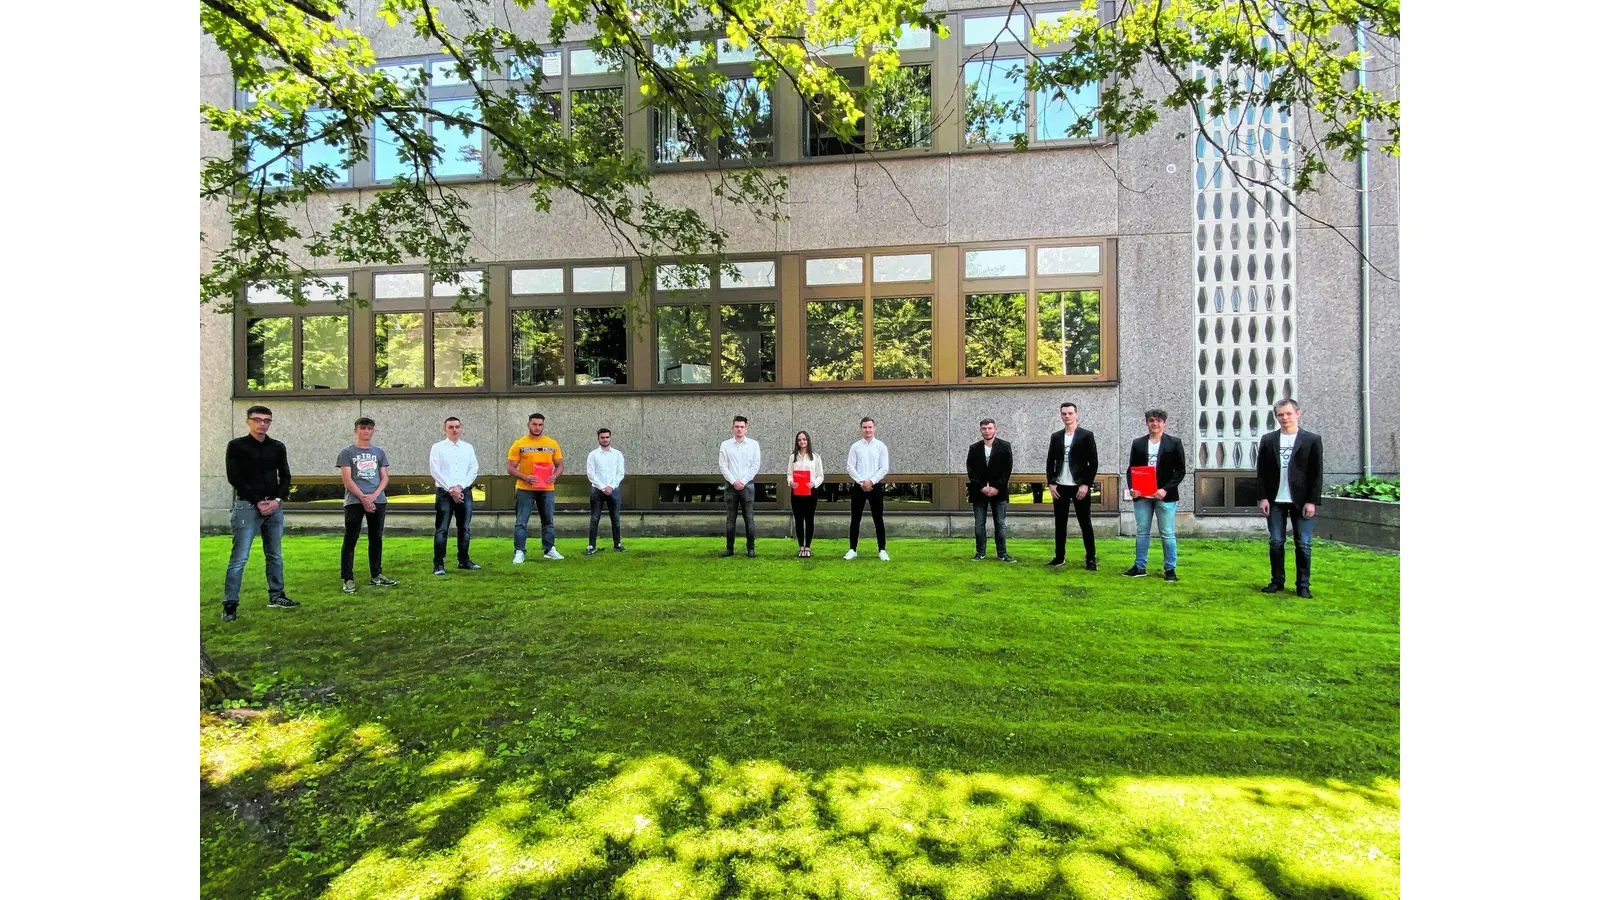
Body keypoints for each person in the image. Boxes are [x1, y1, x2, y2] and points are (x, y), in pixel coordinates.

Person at [221, 405, 299, 620]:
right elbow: (234, 477)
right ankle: (230, 604)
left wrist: (277, 500)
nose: (262, 424)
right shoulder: (236, 446)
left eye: (267, 420)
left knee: (274, 554)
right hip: (247, 507)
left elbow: (285, 476)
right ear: (248, 421)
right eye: (258, 419)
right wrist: (257, 501)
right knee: (240, 557)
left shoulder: (277, 447)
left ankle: (277, 595)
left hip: (274, 508)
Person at [1256, 399, 1324, 598]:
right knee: (1276, 541)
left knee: (1303, 543)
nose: (1284, 418)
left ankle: (1303, 585)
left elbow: (1316, 473)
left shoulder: (1311, 439)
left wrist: (1312, 501)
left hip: (1301, 500)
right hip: (1275, 500)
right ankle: (1277, 581)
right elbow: (1262, 472)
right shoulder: (1269, 440)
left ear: (1297, 413)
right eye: (1280, 414)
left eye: (1288, 413)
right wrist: (1263, 498)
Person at [336, 417, 398, 594]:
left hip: (377, 500)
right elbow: (347, 479)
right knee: (351, 539)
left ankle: (376, 575)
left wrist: (373, 496)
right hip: (354, 501)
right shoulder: (347, 453)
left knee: (376, 539)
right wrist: (363, 498)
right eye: (362, 428)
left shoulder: (379, 452)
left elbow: (384, 477)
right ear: (356, 430)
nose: (366, 431)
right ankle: (348, 578)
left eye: (369, 428)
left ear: (373, 431)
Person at [1123, 409, 1186, 581]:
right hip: (1142, 496)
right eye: (1151, 420)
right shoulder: (1138, 443)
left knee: (1167, 533)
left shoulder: (1174, 443)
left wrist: (1165, 489)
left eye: (1158, 421)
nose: (1155, 424)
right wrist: (1132, 488)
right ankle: (1139, 566)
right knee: (1142, 532)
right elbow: (1131, 470)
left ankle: (1170, 570)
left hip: (1165, 496)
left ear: (1164, 423)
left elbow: (1180, 471)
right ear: (1147, 423)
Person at [1044, 402, 1100, 570]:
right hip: (1060, 486)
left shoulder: (1086, 435)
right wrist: (1051, 483)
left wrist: (1085, 484)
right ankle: (1059, 557)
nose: (1067, 416)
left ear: (1076, 415)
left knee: (1085, 523)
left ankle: (1091, 559)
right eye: (1064, 414)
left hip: (1079, 487)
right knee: (1060, 524)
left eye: (1070, 413)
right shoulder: (1056, 436)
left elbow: (1094, 463)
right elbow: (1050, 461)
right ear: (1061, 416)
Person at [507, 412, 565, 563]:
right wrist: (526, 477)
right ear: (528, 424)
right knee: (521, 522)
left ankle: (549, 549)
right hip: (525, 489)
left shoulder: (552, 444)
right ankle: (519, 551)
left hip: (547, 489)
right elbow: (511, 468)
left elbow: (559, 465)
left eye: (540, 425)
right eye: (534, 424)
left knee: (548, 521)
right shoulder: (519, 444)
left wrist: (555, 476)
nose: (537, 427)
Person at [429, 416, 481, 575]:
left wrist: (460, 487)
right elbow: (435, 471)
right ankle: (438, 564)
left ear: (462, 428)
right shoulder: (437, 448)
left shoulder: (468, 447)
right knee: (442, 529)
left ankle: (464, 560)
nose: (454, 430)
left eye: (457, 427)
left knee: (464, 528)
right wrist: (451, 489)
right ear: (444, 429)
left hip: (464, 492)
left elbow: (473, 469)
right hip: (445, 493)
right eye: (450, 427)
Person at [965, 418, 1016, 562]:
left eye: (990, 428)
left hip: (999, 492)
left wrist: (996, 488)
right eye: (984, 428)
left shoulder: (1005, 446)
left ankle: (1002, 553)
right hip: (979, 493)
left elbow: (1007, 470)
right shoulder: (974, 448)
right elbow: (971, 471)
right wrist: (982, 487)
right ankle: (980, 553)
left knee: (1000, 523)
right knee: (979, 524)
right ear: (981, 430)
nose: (987, 431)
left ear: (995, 429)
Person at [844, 417, 891, 561]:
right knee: (855, 519)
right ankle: (852, 549)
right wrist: (861, 481)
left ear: (874, 428)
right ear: (861, 429)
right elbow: (850, 466)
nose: (867, 430)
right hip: (859, 487)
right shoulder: (855, 447)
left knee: (878, 519)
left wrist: (872, 481)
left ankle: (882, 550)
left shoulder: (881, 446)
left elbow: (884, 468)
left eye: (870, 427)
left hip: (875, 487)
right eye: (865, 427)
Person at [718, 415, 761, 557]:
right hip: (731, 486)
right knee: (731, 519)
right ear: (733, 428)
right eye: (737, 427)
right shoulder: (725, 445)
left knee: (749, 519)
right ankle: (729, 549)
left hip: (747, 486)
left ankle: (751, 549)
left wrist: (743, 481)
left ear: (746, 429)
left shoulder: (754, 445)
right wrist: (733, 481)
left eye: (742, 427)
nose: (739, 429)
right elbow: (723, 466)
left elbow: (755, 465)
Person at [586, 427, 626, 556]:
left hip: (613, 490)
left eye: (607, 437)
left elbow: (620, 473)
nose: (605, 439)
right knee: (594, 518)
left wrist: (611, 487)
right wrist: (603, 487)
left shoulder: (617, 454)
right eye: (602, 437)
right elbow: (591, 474)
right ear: (598, 438)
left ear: (610, 437)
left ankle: (617, 544)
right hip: (597, 490)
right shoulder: (593, 455)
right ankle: (591, 545)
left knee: (615, 519)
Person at [787, 431, 823, 558]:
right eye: (799, 440)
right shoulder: (793, 457)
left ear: (808, 440)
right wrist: (790, 482)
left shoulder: (815, 457)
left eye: (804, 439)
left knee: (809, 519)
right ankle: (800, 546)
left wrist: (814, 483)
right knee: (798, 519)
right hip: (796, 492)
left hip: (810, 492)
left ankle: (807, 546)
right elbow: (789, 474)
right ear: (797, 442)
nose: (802, 442)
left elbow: (820, 476)